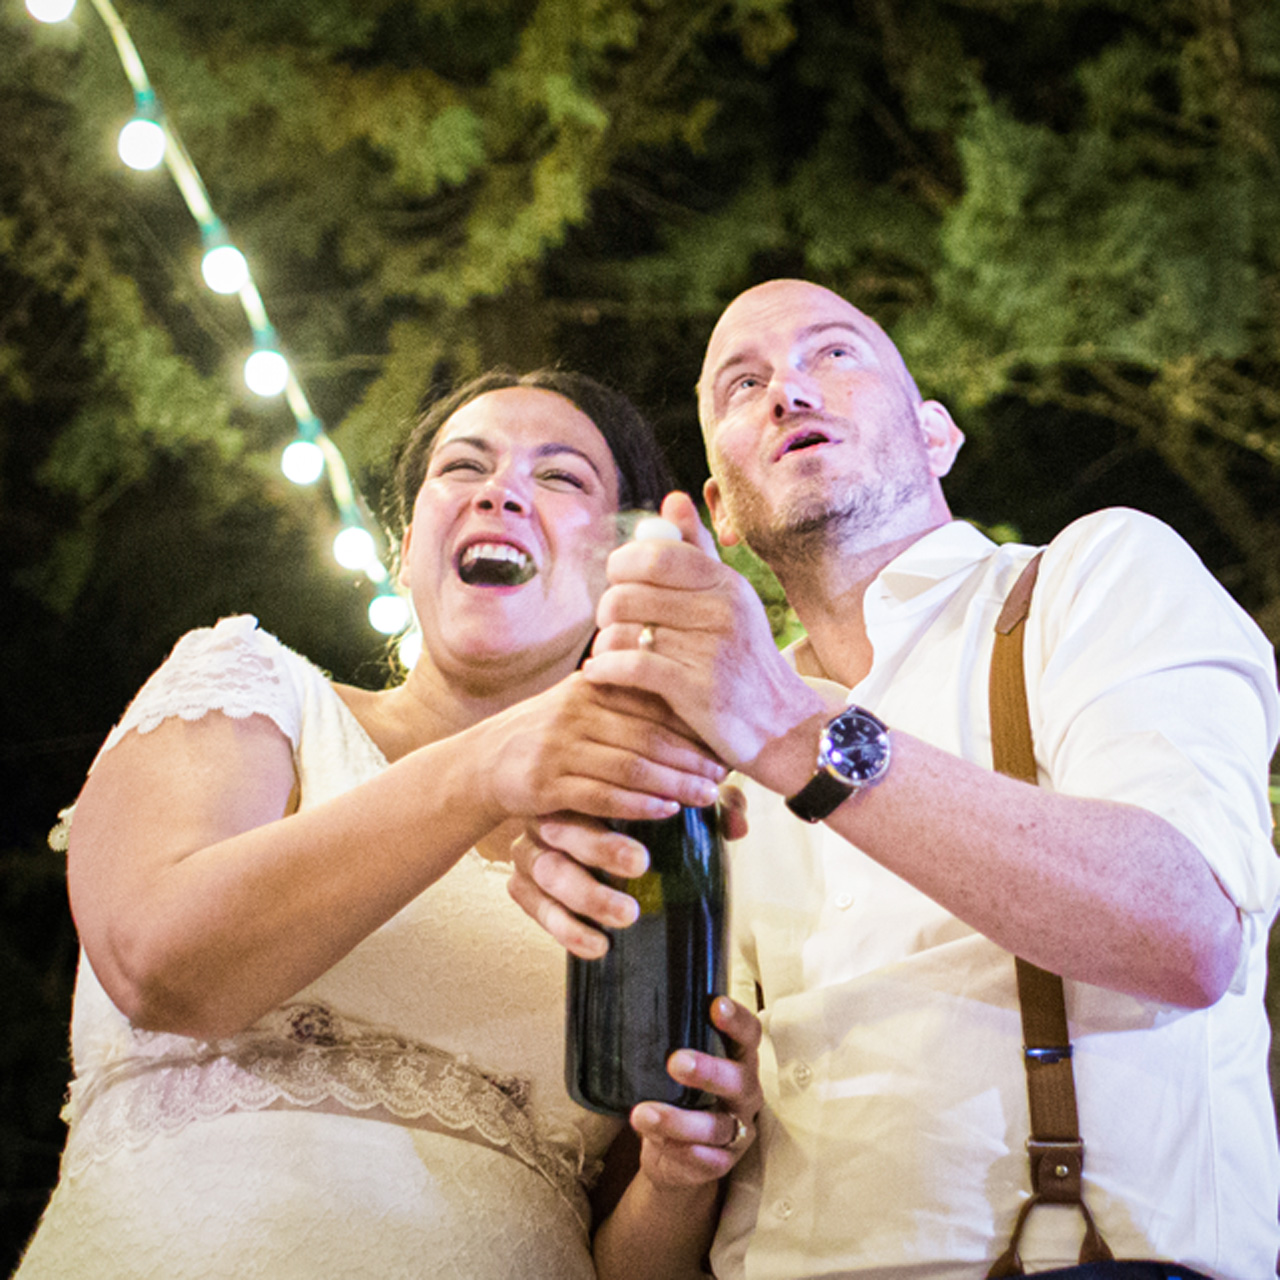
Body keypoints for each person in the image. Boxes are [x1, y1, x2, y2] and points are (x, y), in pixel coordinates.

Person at [509, 281, 1280, 1279]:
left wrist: (790, 728)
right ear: (719, 511)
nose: (787, 390)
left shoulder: (1092, 578)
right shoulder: (711, 762)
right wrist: (682, 1155)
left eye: (834, 353)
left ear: (936, 434)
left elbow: (1188, 931)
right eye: (742, 384)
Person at [12, 367, 761, 1280]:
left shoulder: (641, 837)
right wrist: (484, 766)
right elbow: (159, 963)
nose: (499, 491)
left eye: (560, 476)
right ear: (407, 550)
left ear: (621, 571)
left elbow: (622, 1259)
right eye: (463, 467)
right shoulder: (262, 692)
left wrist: (679, 1179)